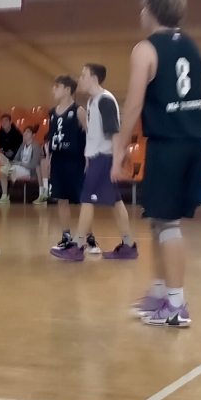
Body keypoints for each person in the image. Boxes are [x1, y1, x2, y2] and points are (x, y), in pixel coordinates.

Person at [115, 0, 201, 328]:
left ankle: (176, 305)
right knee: (159, 220)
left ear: (151, 9)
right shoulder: (192, 46)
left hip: (168, 144)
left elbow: (134, 103)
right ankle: (160, 293)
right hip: (190, 142)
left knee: (168, 224)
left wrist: (120, 147)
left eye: (142, 7)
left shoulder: (145, 49)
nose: (140, 12)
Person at [75, 64, 139, 260]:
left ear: (94, 78)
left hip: (104, 158)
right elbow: (95, 133)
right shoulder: (93, 101)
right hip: (97, 157)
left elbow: (114, 133)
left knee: (87, 199)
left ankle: (77, 246)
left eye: (83, 75)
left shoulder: (105, 100)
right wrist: (88, 154)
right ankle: (128, 244)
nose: (80, 78)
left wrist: (115, 163)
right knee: (116, 202)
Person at [42, 76, 88, 259]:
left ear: (68, 89)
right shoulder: (52, 112)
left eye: (57, 87)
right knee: (61, 199)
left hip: (75, 160)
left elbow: (89, 134)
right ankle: (66, 236)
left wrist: (88, 157)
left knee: (82, 200)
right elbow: (50, 137)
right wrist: (48, 159)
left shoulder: (78, 111)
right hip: (58, 159)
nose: (53, 90)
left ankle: (88, 237)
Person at [0, 113, 29, 205]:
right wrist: (3, 151)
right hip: (6, 158)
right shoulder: (0, 133)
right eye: (2, 121)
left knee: (1, 170)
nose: (4, 123)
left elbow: (21, 149)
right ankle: (4, 195)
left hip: (16, 159)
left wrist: (12, 152)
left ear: (10, 122)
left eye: (6, 121)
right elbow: (0, 148)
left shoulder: (17, 133)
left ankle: (5, 194)